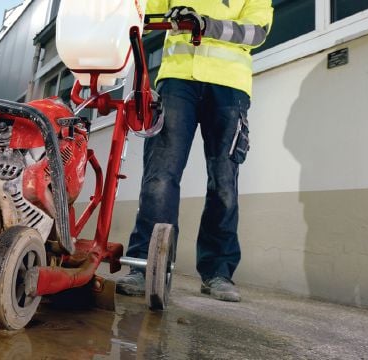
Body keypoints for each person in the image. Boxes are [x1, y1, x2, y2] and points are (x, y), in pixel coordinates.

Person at [116, 0, 273, 302]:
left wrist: (204, 24)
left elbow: (257, 32)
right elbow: (146, 14)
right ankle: (145, 264)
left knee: (223, 182)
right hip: (178, 81)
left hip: (228, 86)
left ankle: (218, 272)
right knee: (160, 176)